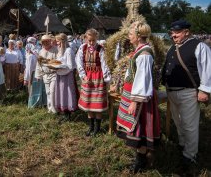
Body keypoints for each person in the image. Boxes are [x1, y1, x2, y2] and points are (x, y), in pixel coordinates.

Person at [162, 20, 211, 167]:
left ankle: (190, 155)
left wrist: (204, 90)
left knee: (189, 125)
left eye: (176, 32)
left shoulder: (199, 46)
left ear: (186, 32)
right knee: (178, 121)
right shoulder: (172, 47)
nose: (173, 35)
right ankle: (183, 144)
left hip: (188, 92)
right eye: (172, 32)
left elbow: (208, 69)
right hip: (172, 91)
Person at [114, 21, 160, 173]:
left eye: (131, 34)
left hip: (140, 98)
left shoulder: (144, 54)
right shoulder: (139, 50)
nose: (129, 36)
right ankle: (140, 157)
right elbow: (132, 73)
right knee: (135, 127)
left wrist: (134, 101)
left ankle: (141, 162)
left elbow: (142, 79)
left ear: (139, 36)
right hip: (132, 93)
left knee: (139, 128)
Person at [76, 28, 111, 136]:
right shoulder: (83, 47)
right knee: (89, 102)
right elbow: (79, 62)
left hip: (98, 77)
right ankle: (91, 126)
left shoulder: (101, 49)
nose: (91, 43)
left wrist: (107, 79)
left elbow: (104, 65)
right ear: (86, 38)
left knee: (98, 103)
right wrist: (83, 76)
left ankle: (97, 128)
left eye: (93, 40)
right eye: (89, 40)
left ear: (97, 39)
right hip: (88, 77)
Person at [54, 33, 79, 122]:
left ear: (63, 41)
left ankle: (68, 114)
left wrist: (59, 66)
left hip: (67, 75)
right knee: (61, 93)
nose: (57, 43)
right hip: (60, 75)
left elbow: (71, 65)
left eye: (58, 41)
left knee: (67, 93)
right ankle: (64, 112)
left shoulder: (69, 51)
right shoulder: (59, 50)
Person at [35, 34, 58, 113]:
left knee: (52, 91)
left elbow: (58, 62)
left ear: (50, 41)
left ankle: (54, 107)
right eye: (44, 42)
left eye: (47, 41)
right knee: (47, 92)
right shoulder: (41, 51)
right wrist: (38, 75)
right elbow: (38, 64)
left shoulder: (55, 49)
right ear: (42, 42)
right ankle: (49, 108)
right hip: (45, 74)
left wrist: (48, 62)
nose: (46, 43)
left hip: (54, 73)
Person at [25, 37, 47, 108]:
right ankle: (40, 102)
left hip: (33, 74)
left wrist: (26, 78)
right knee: (39, 89)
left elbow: (29, 68)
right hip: (39, 73)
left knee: (33, 89)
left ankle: (34, 104)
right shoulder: (39, 52)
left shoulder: (31, 56)